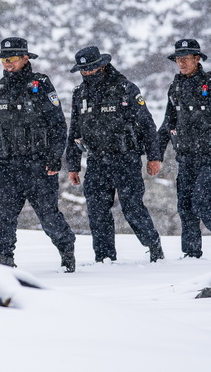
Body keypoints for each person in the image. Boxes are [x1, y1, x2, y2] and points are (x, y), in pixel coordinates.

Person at [65, 46, 165, 263]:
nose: (88, 73)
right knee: (97, 210)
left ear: (102, 65)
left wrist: (154, 156)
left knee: (132, 208)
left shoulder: (125, 88)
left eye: (91, 69)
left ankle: (154, 247)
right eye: (83, 70)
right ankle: (104, 258)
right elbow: (74, 130)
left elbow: (147, 124)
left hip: (125, 159)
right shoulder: (79, 94)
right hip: (96, 161)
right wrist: (72, 165)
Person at [0, 37, 76, 272]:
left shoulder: (42, 84)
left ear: (25, 58)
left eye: (12, 59)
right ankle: (4, 262)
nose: (7, 64)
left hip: (39, 165)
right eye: (4, 60)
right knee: (4, 219)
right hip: (8, 166)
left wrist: (55, 157)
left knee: (48, 217)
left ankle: (67, 251)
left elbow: (58, 125)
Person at [157, 38, 211, 259]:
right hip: (185, 155)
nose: (181, 63)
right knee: (185, 205)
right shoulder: (175, 86)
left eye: (186, 59)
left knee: (200, 201)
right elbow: (168, 123)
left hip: (210, 153)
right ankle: (191, 253)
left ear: (197, 59)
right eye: (178, 59)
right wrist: (155, 153)